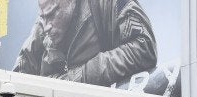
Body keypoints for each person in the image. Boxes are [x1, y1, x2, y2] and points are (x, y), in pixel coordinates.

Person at [13, 0, 157, 88]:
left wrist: (74, 80)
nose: (46, 27)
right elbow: (16, 81)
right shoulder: (43, 24)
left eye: (51, 14)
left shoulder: (108, 3)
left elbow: (144, 48)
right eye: (42, 17)